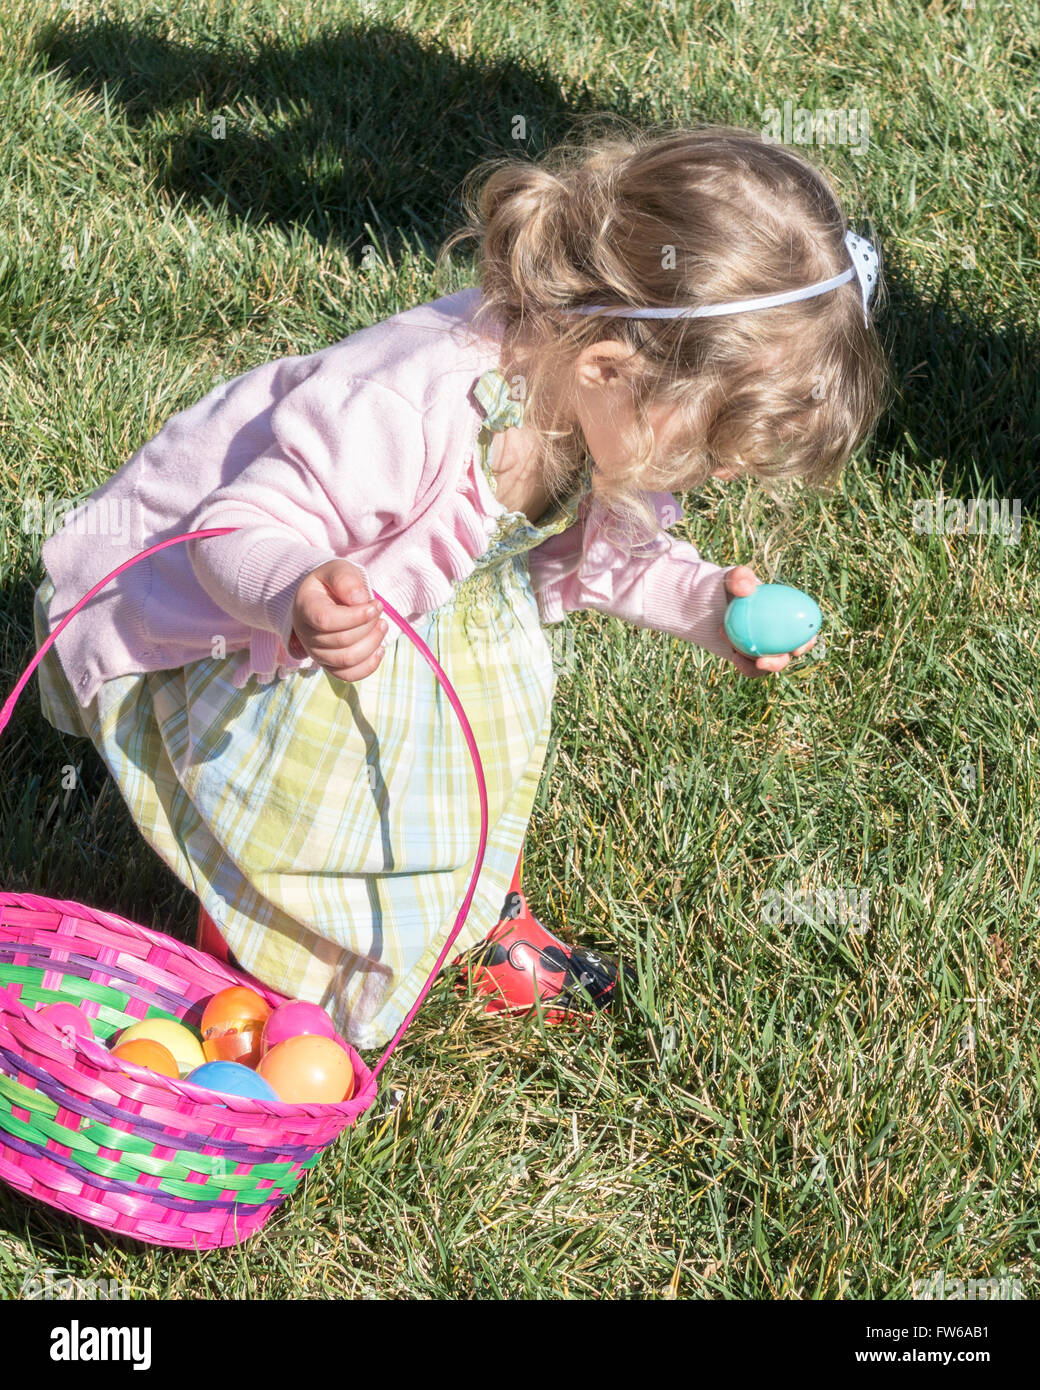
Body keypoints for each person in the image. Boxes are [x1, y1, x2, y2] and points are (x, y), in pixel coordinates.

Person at [32, 122, 887, 1049]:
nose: (711, 477)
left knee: (486, 740)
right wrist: (298, 592)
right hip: (229, 622)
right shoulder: (410, 406)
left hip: (403, 617)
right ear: (609, 370)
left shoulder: (585, 394)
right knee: (316, 804)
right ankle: (257, 960)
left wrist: (710, 611)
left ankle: (476, 924)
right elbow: (230, 530)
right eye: (708, 450)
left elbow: (620, 558)